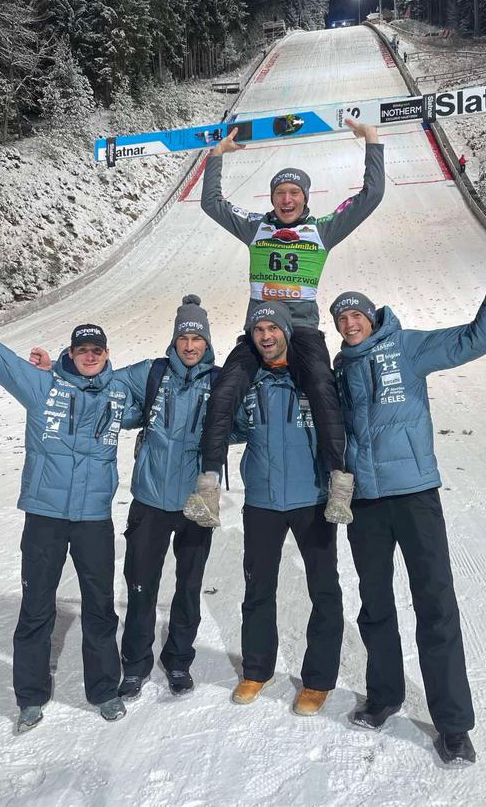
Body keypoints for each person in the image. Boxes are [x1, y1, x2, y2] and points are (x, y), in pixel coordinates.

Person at [330, 245, 486, 765]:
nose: (350, 323)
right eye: (341, 317)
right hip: (366, 505)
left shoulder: (409, 348)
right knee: (375, 608)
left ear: (372, 318)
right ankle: (385, 696)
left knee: (436, 608)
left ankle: (454, 725)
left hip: (415, 495)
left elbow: (474, 339)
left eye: (357, 315)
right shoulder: (338, 371)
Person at [0, 300, 140, 732]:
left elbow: (165, 395)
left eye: (97, 350)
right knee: (36, 608)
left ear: (106, 354)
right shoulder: (42, 386)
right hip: (44, 516)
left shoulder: (119, 393)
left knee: (101, 608)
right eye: (83, 349)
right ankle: (30, 697)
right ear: (71, 352)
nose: (90, 356)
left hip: (93, 520)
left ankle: (103, 690)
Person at [184, 119, 385, 529]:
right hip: (259, 331)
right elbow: (212, 204)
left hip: (304, 332)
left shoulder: (323, 229)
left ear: (305, 198)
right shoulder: (256, 227)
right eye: (280, 193)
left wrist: (373, 142)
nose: (287, 199)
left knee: (323, 392)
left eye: (294, 193)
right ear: (272, 198)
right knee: (224, 391)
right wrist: (217, 157)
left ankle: (338, 482)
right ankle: (207, 486)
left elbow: (371, 195)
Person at [30, 296, 221, 701]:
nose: (190, 345)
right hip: (149, 500)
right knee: (140, 586)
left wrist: (214, 443)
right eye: (184, 337)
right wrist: (55, 372)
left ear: (206, 343)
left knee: (189, 586)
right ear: (175, 340)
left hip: (196, 500)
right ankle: (134, 665)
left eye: (197, 338)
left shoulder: (219, 381)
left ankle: (179, 660)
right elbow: (99, 378)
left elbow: (238, 422)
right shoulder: (151, 373)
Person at [192, 301, 343, 717]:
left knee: (324, 591)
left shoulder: (311, 381)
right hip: (261, 502)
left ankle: (317, 681)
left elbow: (340, 419)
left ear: (285, 332)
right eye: (257, 330)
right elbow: (228, 425)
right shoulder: (250, 383)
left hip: (311, 499)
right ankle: (257, 670)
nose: (265, 336)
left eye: (271, 328)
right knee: (258, 590)